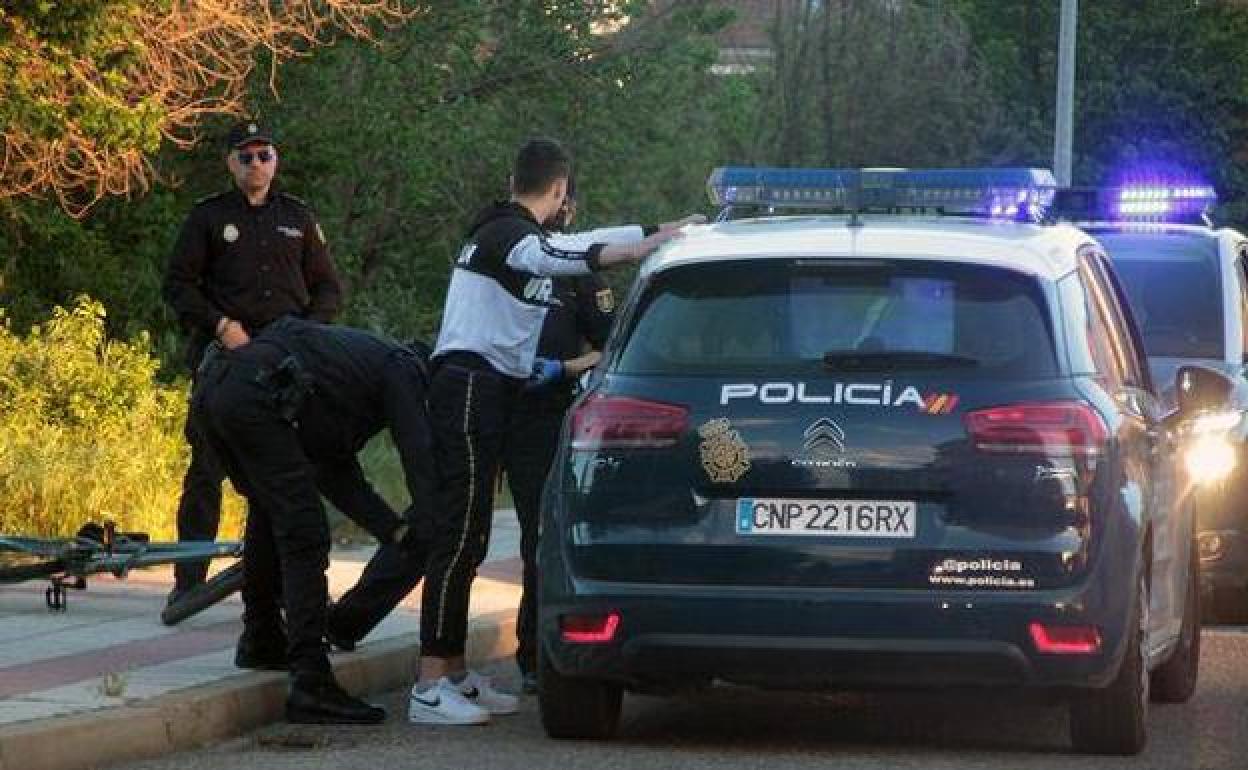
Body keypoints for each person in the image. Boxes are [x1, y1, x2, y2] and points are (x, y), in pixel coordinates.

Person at [409, 136, 703, 725]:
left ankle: (457, 674)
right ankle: (428, 683)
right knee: (458, 536)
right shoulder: (504, 235)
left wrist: (666, 226)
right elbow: (563, 257)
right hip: (468, 385)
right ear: (561, 188)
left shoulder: (515, 230)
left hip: (491, 390)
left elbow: (571, 242)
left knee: (472, 536)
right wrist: (647, 245)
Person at [191, 316, 434, 724]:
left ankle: (262, 637)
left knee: (270, 512)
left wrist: (396, 532)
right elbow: (418, 453)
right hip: (252, 394)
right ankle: (311, 682)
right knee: (305, 534)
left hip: (216, 389)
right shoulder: (404, 367)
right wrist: (437, 516)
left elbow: (333, 470)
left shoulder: (352, 367)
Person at [163, 120, 342, 604]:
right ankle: (188, 583)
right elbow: (178, 285)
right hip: (226, 358)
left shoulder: (298, 217)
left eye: (265, 155)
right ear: (230, 162)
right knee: (206, 469)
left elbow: (328, 288)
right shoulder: (207, 218)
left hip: (283, 365)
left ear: (276, 159)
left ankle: (293, 584)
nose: (257, 164)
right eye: (246, 157)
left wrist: (308, 334)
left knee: (285, 476)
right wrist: (221, 325)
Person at [501, 177, 616, 694]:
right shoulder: (505, 258)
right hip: (497, 408)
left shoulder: (580, 277)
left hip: (549, 413)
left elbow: (610, 349)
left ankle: (532, 654)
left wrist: (566, 368)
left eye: (566, 203)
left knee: (540, 537)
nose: (560, 211)